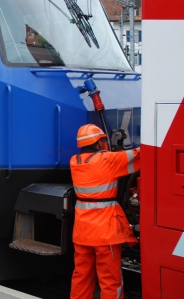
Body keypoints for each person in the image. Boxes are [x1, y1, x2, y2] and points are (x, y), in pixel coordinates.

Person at [70, 124, 140, 299]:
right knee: (110, 281)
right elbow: (141, 155)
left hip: (82, 232)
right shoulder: (108, 160)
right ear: (98, 142)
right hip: (105, 233)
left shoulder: (75, 161)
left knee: (81, 276)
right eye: (103, 140)